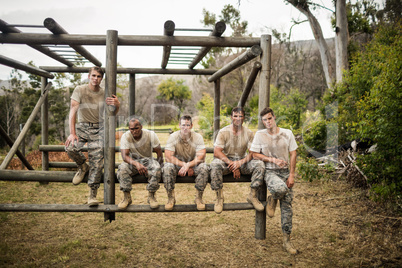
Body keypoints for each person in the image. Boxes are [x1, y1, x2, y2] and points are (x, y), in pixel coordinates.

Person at [65, 66, 120, 207]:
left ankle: (92, 194)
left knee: (97, 161)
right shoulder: (80, 90)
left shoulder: (105, 93)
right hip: (82, 127)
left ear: (102, 78)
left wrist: (117, 105)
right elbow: (73, 111)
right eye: (93, 75)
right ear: (89, 76)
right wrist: (72, 133)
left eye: (99, 76)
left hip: (99, 128)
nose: (96, 79)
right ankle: (83, 166)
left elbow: (112, 112)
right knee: (70, 148)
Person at [250, 107, 298, 254]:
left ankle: (286, 241)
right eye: (264, 120)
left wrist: (291, 174)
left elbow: (293, 153)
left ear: (274, 117)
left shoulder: (287, 133)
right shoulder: (260, 135)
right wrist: (271, 159)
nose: (267, 122)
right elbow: (253, 154)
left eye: (269, 118)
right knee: (280, 189)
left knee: (287, 207)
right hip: (270, 171)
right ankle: (273, 198)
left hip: (285, 172)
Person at [210, 107, 265, 214]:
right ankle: (219, 197)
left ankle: (253, 195)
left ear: (244, 118)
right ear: (231, 117)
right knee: (215, 164)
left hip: (241, 160)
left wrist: (239, 163)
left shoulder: (248, 133)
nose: (238, 118)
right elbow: (217, 152)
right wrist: (232, 164)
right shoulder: (223, 132)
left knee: (259, 164)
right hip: (226, 162)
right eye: (235, 116)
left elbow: (252, 153)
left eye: (240, 116)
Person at [162, 115, 209, 211]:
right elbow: (168, 156)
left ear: (191, 126)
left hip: (193, 166)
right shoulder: (173, 137)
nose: (185, 128)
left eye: (187, 125)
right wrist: (184, 165)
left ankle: (198, 198)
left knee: (204, 167)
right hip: (178, 166)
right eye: (183, 125)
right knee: (167, 167)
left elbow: (201, 156)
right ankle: (171, 198)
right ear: (179, 125)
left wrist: (189, 165)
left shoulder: (198, 137)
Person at [116, 117, 163, 210]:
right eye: (132, 129)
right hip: (132, 161)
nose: (134, 131)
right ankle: (126, 197)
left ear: (141, 127)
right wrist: (136, 164)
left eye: (136, 128)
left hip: (148, 160)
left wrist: (160, 168)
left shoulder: (150, 135)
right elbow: (125, 156)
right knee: (122, 169)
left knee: (156, 168)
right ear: (129, 129)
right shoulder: (126, 136)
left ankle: (151, 196)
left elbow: (159, 152)